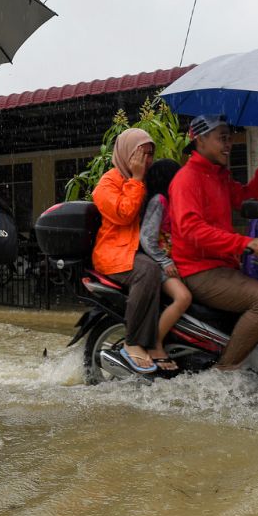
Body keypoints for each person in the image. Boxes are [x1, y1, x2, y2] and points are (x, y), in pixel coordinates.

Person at [169, 114, 258, 370]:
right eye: (222, 138)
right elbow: (191, 230)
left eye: (229, 138)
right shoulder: (187, 179)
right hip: (199, 270)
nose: (229, 144)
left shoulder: (217, 175)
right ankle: (225, 372)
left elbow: (249, 197)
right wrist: (243, 242)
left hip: (223, 266)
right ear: (200, 139)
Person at [91, 127, 164, 374]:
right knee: (149, 272)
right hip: (114, 254)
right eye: (140, 154)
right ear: (126, 154)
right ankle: (133, 341)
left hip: (138, 250)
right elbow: (124, 215)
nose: (146, 161)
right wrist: (136, 178)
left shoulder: (144, 179)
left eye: (150, 154)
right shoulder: (107, 183)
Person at [139, 158, 192, 371]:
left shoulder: (172, 201)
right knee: (183, 297)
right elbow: (147, 237)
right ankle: (155, 345)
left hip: (172, 263)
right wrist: (164, 260)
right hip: (158, 265)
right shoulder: (159, 200)